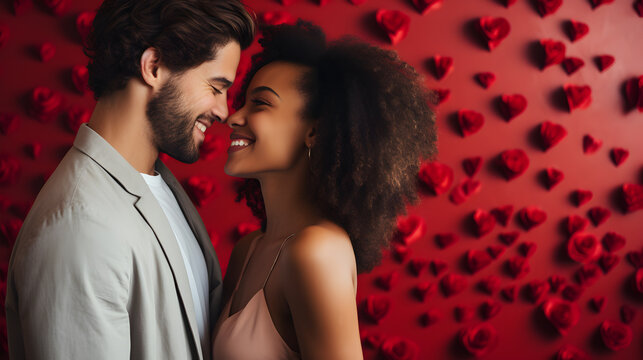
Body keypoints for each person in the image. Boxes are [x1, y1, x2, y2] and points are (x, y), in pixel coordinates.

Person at [4, 1, 254, 359]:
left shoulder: (158, 185)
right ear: (153, 67)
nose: (223, 110)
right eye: (215, 87)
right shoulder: (80, 228)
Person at [212, 21, 438, 359]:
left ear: (315, 132)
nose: (233, 117)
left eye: (259, 104)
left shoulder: (315, 251)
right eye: (242, 101)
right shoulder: (249, 249)